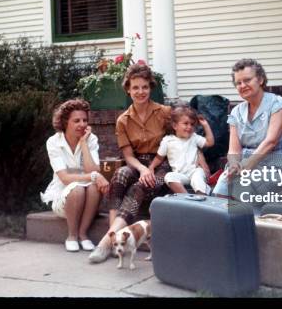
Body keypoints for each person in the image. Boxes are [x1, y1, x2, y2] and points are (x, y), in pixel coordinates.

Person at [88, 63, 173, 263]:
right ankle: (113, 237)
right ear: (128, 89)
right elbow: (128, 155)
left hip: (162, 164)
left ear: (151, 87)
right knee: (119, 175)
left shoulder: (165, 113)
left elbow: (178, 142)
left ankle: (105, 243)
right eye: (135, 87)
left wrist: (150, 170)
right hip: (138, 163)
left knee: (139, 186)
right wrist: (143, 168)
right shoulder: (123, 120)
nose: (140, 91)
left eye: (144, 86)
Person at [212, 58, 282, 202]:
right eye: (238, 83)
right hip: (244, 165)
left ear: (261, 79)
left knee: (247, 193)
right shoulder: (236, 112)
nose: (242, 85)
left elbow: (271, 141)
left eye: (247, 80)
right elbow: (234, 149)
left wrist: (247, 166)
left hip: (274, 164)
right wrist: (233, 165)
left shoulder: (278, 104)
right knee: (221, 188)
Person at [40, 99, 110, 252]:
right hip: (64, 198)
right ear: (65, 122)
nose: (82, 124)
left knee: (93, 187)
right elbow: (64, 178)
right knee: (78, 188)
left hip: (87, 201)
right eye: (76, 121)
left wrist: (83, 143)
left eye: (85, 120)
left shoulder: (91, 139)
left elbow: (93, 169)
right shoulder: (53, 142)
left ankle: (83, 234)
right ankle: (71, 236)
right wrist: (92, 176)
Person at [148, 105, 215, 195]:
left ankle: (202, 196)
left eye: (192, 124)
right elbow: (159, 157)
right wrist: (151, 167)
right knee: (169, 176)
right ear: (175, 126)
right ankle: (186, 198)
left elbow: (210, 142)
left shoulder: (194, 137)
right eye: (186, 123)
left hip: (194, 171)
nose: (189, 127)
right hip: (180, 175)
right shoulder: (168, 140)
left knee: (198, 176)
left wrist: (205, 125)